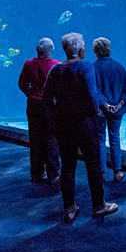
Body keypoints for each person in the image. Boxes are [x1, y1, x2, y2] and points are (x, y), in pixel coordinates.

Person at [43, 32, 119, 222]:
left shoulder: (55, 69)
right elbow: (93, 94)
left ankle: (69, 208)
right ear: (78, 48)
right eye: (83, 44)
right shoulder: (85, 66)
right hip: (85, 123)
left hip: (63, 124)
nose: (85, 46)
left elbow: (46, 98)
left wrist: (54, 117)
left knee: (68, 166)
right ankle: (99, 206)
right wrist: (97, 111)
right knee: (93, 165)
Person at [18, 37, 61, 184]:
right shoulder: (56, 65)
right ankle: (53, 174)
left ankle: (36, 173)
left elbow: (21, 83)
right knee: (51, 138)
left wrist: (30, 94)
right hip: (49, 106)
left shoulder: (29, 63)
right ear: (50, 50)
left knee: (35, 138)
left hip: (33, 105)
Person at [92, 37, 126, 182]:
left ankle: (101, 172)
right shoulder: (119, 66)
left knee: (100, 140)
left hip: (101, 111)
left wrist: (105, 104)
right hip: (118, 110)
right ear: (109, 49)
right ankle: (117, 172)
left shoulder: (93, 68)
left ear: (95, 51)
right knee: (115, 139)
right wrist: (120, 104)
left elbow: (94, 90)